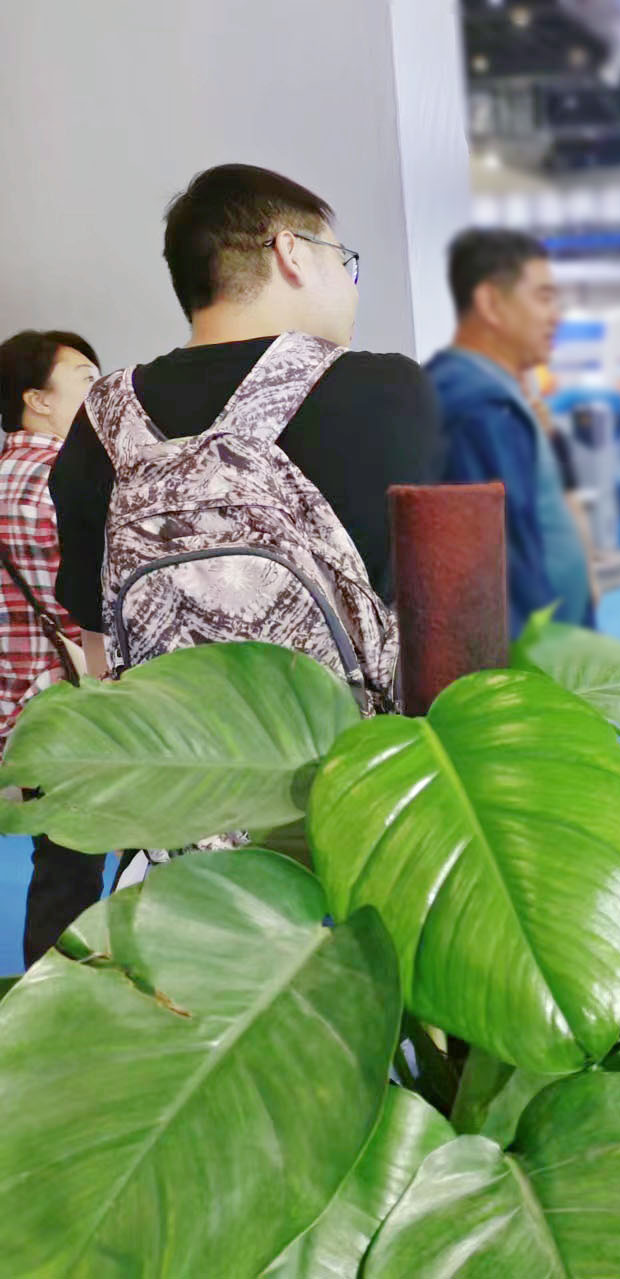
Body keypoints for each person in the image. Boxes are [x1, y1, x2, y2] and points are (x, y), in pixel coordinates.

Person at [52, 164, 443, 655]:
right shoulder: (394, 390)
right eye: (344, 261)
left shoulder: (104, 416)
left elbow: (99, 640)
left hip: (171, 707)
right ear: (292, 252)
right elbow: (456, 604)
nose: (352, 286)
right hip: (352, 708)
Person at [428, 230, 595, 636]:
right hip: (534, 654)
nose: (555, 316)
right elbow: (500, 573)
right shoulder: (481, 407)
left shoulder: (496, 395)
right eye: (542, 298)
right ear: (491, 303)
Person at [0, 330, 104, 966]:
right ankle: (67, 1001)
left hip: (20, 710)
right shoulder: (65, 480)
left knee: (61, 866)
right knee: (74, 871)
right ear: (36, 399)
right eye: (87, 378)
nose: (102, 388)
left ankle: (49, 994)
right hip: (75, 709)